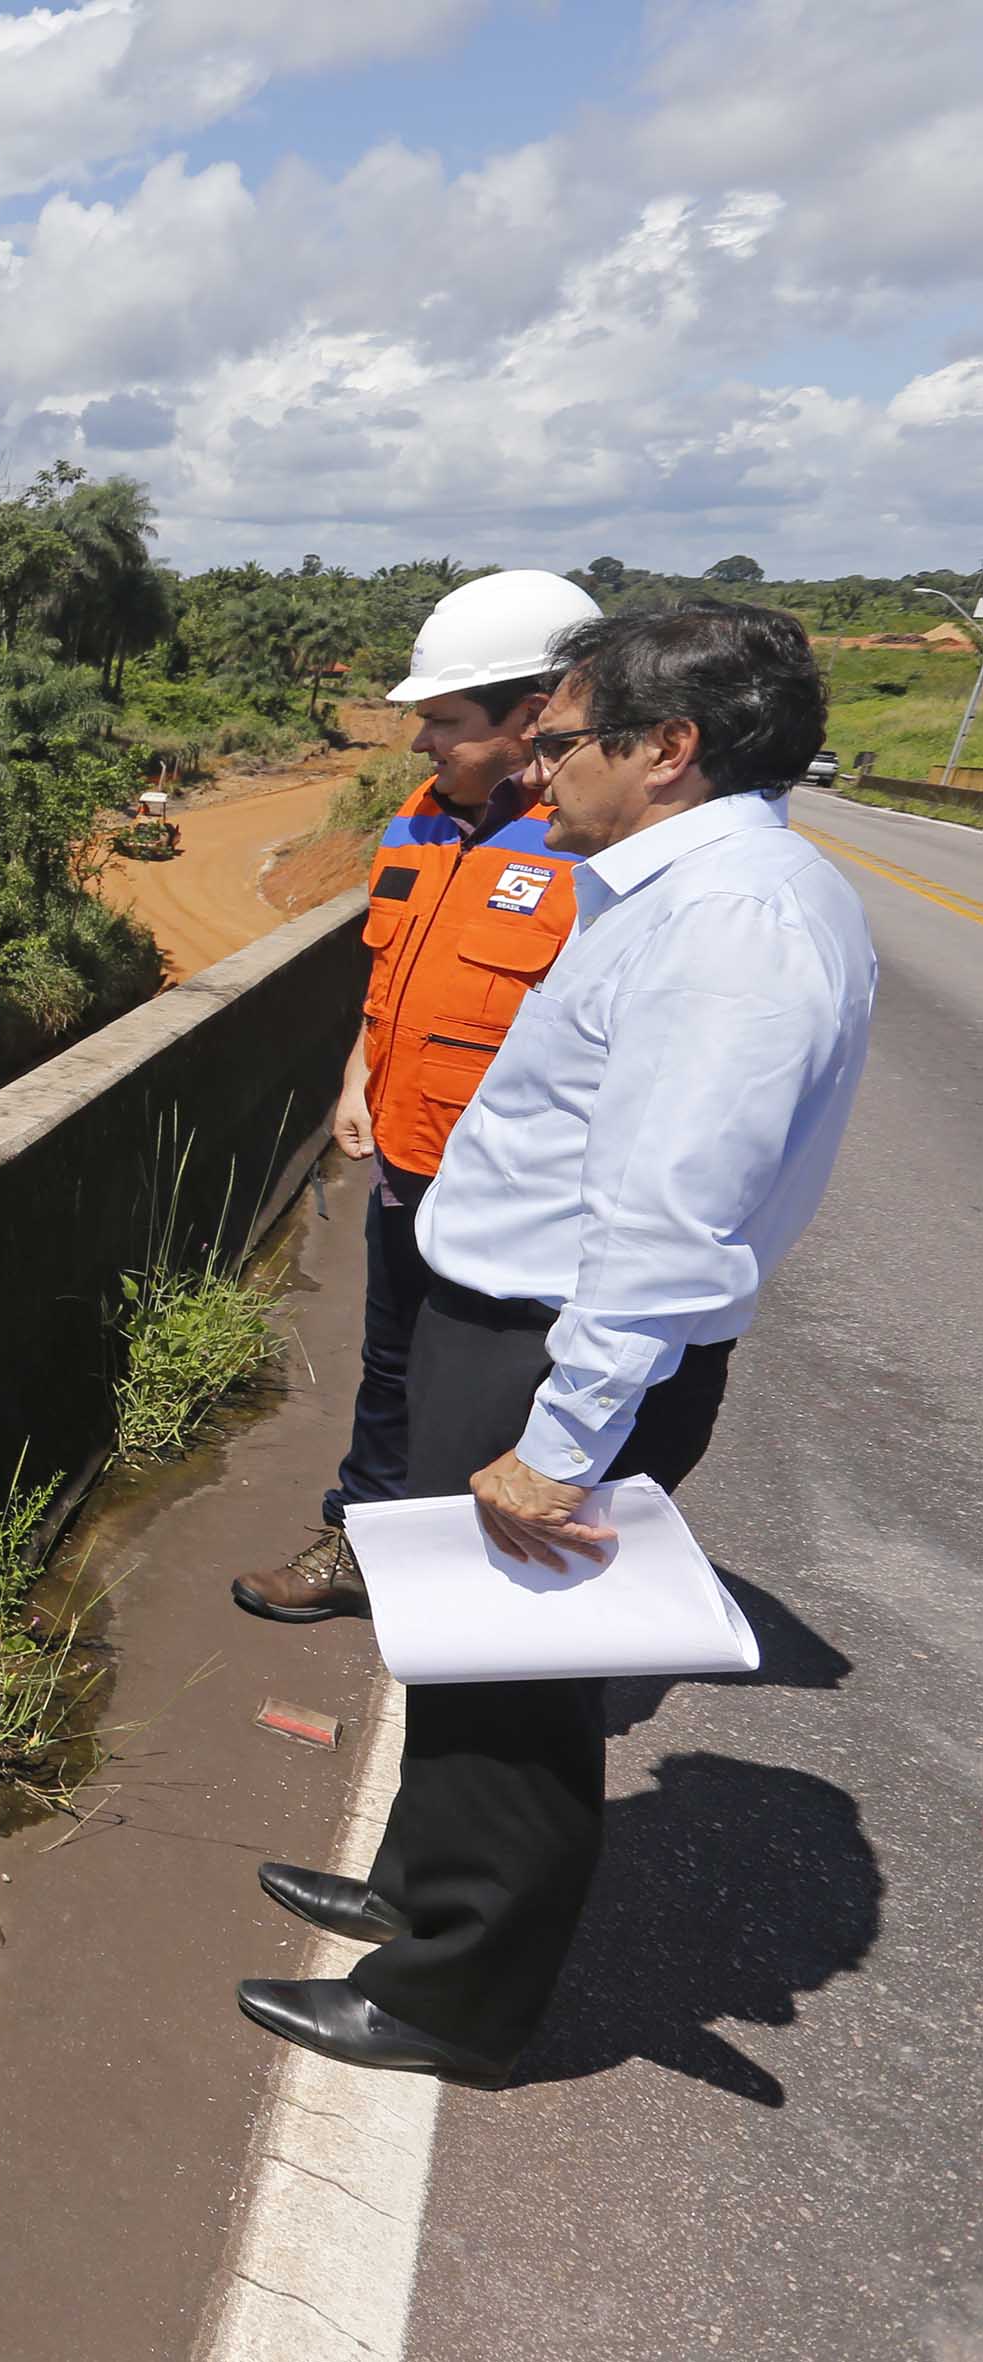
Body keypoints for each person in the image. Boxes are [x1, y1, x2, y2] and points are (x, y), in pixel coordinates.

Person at [239, 601, 875, 2086]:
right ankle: (414, 1885)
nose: (536, 765)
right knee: (464, 1660)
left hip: (548, 1351)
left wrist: (558, 1443)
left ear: (668, 751)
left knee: (520, 1689)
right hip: (505, 1325)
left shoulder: (731, 922)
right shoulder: (682, 888)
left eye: (565, 738)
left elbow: (670, 1217)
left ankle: (451, 1997)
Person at [231, 570, 600, 1626]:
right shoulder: (421, 821)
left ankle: (492, 1591)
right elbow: (396, 973)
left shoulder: (594, 850)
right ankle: (362, 1544)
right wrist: (358, 1071)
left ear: (534, 714)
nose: (421, 743)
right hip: (408, 1157)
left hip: (518, 1192)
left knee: (494, 1397)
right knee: (389, 1369)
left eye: (444, 719)